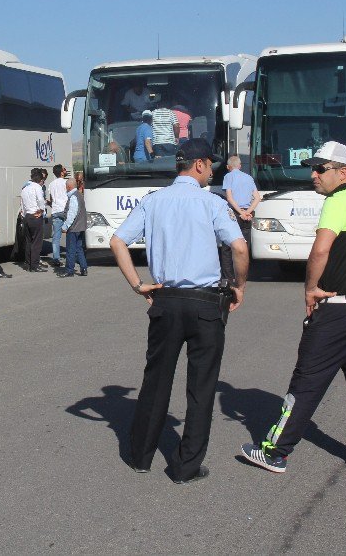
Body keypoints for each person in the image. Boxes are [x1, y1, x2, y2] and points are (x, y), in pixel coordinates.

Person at [241, 141, 346, 479]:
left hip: (337, 311)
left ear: (343, 172)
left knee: (307, 382)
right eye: (313, 167)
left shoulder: (338, 201)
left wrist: (310, 290)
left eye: (320, 169)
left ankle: (274, 452)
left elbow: (320, 251)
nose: (314, 175)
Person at [111, 138, 249, 484]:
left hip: (165, 300)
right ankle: (186, 466)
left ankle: (140, 456)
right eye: (211, 165)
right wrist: (240, 286)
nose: (213, 172)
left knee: (156, 380)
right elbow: (239, 247)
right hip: (205, 302)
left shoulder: (154, 201)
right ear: (199, 165)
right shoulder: (212, 203)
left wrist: (137, 284)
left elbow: (117, 241)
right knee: (201, 387)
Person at [222, 155, 261, 243]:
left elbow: (229, 198)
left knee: (231, 243)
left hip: (234, 213)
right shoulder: (249, 177)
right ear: (240, 166)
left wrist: (241, 212)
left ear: (228, 167)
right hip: (248, 214)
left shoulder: (228, 176)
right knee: (245, 242)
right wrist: (247, 213)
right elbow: (257, 198)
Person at [58, 178, 88, 278]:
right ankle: (84, 268)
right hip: (81, 227)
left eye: (66, 186)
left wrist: (65, 226)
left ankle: (69, 270)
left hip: (74, 227)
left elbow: (72, 214)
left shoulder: (73, 197)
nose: (66, 188)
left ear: (69, 186)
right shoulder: (79, 195)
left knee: (70, 249)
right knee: (79, 248)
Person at [20, 167, 47, 272]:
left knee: (28, 241)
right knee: (36, 242)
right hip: (35, 216)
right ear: (40, 180)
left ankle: (28, 263)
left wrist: (24, 214)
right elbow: (40, 200)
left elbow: (22, 203)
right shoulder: (37, 187)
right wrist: (42, 210)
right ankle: (35, 265)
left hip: (26, 216)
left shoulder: (25, 188)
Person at [46, 164, 69, 267]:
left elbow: (51, 199)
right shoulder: (66, 183)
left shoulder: (51, 184)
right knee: (70, 234)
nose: (65, 170)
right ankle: (70, 256)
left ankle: (56, 258)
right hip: (65, 210)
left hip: (55, 211)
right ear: (61, 172)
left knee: (56, 237)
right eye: (64, 169)